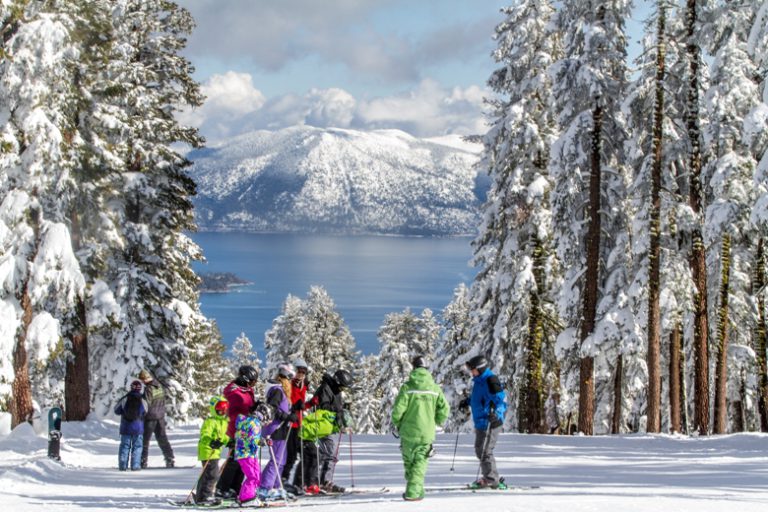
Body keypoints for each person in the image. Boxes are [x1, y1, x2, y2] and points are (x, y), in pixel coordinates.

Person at [391, 356, 450, 502]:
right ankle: (414, 490)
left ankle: (414, 489)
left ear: (414, 368)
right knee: (420, 462)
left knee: (409, 462)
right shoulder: (435, 389)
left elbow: (398, 410)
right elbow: (445, 409)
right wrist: (436, 421)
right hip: (426, 432)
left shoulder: (407, 387)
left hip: (407, 432)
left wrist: (397, 423)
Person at [459, 354, 507, 490]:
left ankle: (491, 479)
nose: (471, 372)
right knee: (479, 450)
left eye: (473, 369)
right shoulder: (478, 380)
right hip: (481, 422)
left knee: (485, 451)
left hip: (491, 422)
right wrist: (467, 401)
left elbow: (501, 400)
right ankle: (490, 478)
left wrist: (496, 414)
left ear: (480, 368)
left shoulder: (491, 380)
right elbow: (479, 398)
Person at [302, 368, 353, 493]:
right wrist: (338, 412)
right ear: (337, 382)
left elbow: (335, 405)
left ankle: (323, 481)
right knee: (330, 453)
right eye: (342, 387)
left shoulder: (335, 389)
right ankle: (323, 481)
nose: (343, 390)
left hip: (329, 425)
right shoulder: (326, 388)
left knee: (330, 453)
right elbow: (323, 406)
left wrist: (342, 410)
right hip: (322, 424)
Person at [258, 363, 300, 502]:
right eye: (289, 379)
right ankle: (264, 488)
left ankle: (275, 486)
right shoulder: (277, 390)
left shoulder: (280, 390)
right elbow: (273, 410)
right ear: (285, 378)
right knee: (277, 460)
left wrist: (293, 409)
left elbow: (282, 408)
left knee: (281, 461)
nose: (290, 382)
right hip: (274, 429)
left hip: (280, 429)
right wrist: (287, 417)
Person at [216, 365, 259, 498]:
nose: (253, 385)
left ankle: (234, 488)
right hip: (235, 429)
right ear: (244, 379)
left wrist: (254, 408)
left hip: (245, 430)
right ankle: (222, 488)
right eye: (252, 381)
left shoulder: (246, 390)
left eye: (254, 382)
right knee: (234, 460)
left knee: (242, 461)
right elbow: (231, 413)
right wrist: (246, 416)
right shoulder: (234, 393)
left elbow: (248, 406)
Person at [281, 359, 310, 494]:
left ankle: (298, 481)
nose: (301, 374)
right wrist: (294, 407)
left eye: (304, 372)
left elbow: (302, 404)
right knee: (290, 454)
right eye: (299, 371)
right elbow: (286, 400)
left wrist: (307, 404)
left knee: (300, 453)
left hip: (298, 423)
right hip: (289, 423)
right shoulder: (290, 384)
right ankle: (283, 478)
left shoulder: (302, 385)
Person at [195, 396, 230, 504]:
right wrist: (211, 441)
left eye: (225, 408)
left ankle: (200, 495)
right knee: (212, 474)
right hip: (207, 450)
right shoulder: (210, 421)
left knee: (208, 473)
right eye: (219, 408)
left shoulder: (223, 422)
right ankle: (206, 496)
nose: (222, 411)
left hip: (214, 451)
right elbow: (205, 435)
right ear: (214, 409)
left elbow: (224, 436)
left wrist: (229, 441)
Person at [235, 401, 271, 505]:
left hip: (250, 453)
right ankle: (247, 498)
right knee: (253, 477)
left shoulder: (252, 421)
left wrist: (262, 440)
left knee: (256, 476)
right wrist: (259, 441)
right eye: (267, 418)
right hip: (246, 453)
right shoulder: (254, 423)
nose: (267, 422)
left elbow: (251, 436)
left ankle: (248, 495)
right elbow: (251, 438)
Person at [138, 369, 175, 468]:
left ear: (145, 379)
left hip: (150, 418)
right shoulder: (159, 386)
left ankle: (142, 460)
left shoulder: (149, 389)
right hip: (160, 417)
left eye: (142, 380)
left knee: (145, 440)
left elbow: (146, 404)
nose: (142, 382)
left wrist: (141, 414)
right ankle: (170, 458)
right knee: (162, 439)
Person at [114, 380, 149, 471]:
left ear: (131, 387)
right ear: (140, 389)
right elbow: (146, 412)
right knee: (137, 447)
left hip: (126, 427)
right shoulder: (143, 400)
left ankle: (122, 466)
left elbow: (116, 410)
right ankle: (135, 466)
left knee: (124, 446)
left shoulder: (125, 398)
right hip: (138, 428)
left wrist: (124, 412)